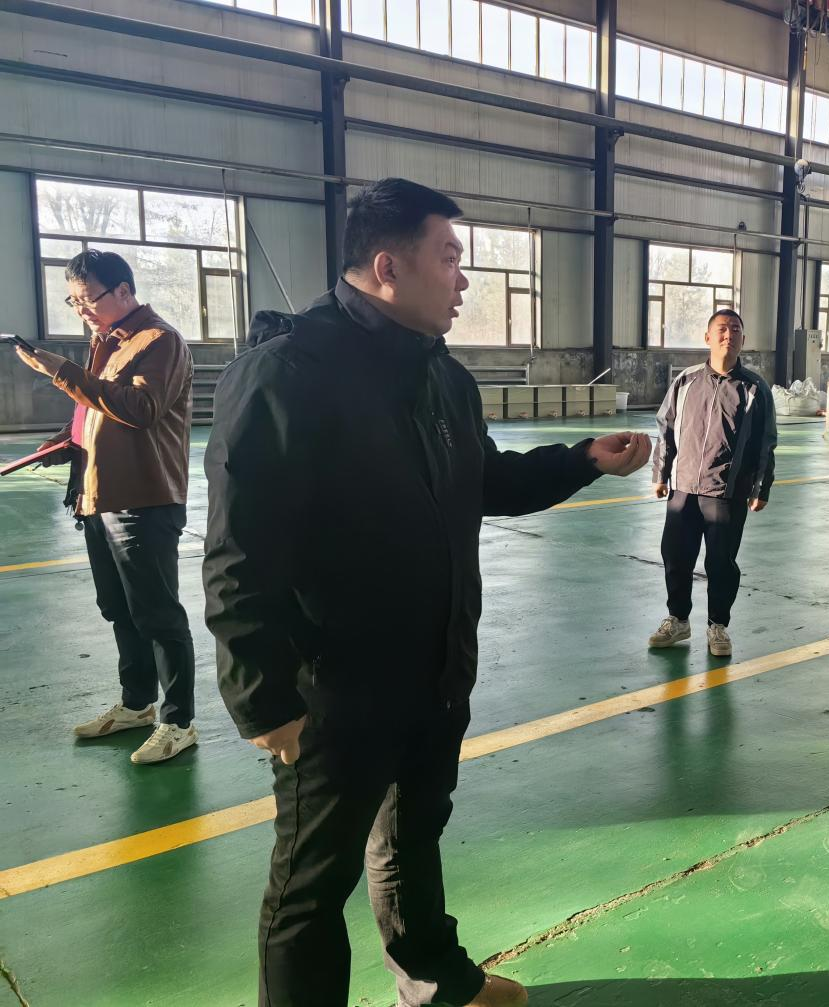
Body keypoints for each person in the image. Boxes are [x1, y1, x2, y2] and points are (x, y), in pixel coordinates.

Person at [202, 177, 651, 1007]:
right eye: (448, 257)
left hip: (435, 671)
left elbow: (484, 480)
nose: (462, 278)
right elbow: (239, 553)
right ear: (388, 267)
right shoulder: (286, 375)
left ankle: (439, 982)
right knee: (309, 885)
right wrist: (262, 697)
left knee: (413, 836)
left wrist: (583, 458)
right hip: (334, 691)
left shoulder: (443, 378)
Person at [14, 249, 197, 765]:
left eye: (88, 299)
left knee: (157, 613)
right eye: (73, 302)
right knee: (120, 608)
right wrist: (69, 438)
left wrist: (62, 371)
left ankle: (179, 721)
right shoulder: (106, 342)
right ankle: (137, 704)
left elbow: (140, 409)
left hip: (143, 498)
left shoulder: (159, 341)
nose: (82, 310)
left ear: (123, 290)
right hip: (99, 495)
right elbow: (98, 408)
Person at [647, 309, 777, 658]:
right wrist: (661, 473)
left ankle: (718, 625)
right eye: (721, 329)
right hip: (683, 487)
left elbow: (766, 441)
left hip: (727, 491)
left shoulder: (754, 388)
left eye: (735, 329)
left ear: (743, 340)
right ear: (707, 337)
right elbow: (666, 427)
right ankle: (678, 620)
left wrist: (761, 487)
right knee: (676, 557)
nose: (728, 335)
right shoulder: (686, 381)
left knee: (721, 562)